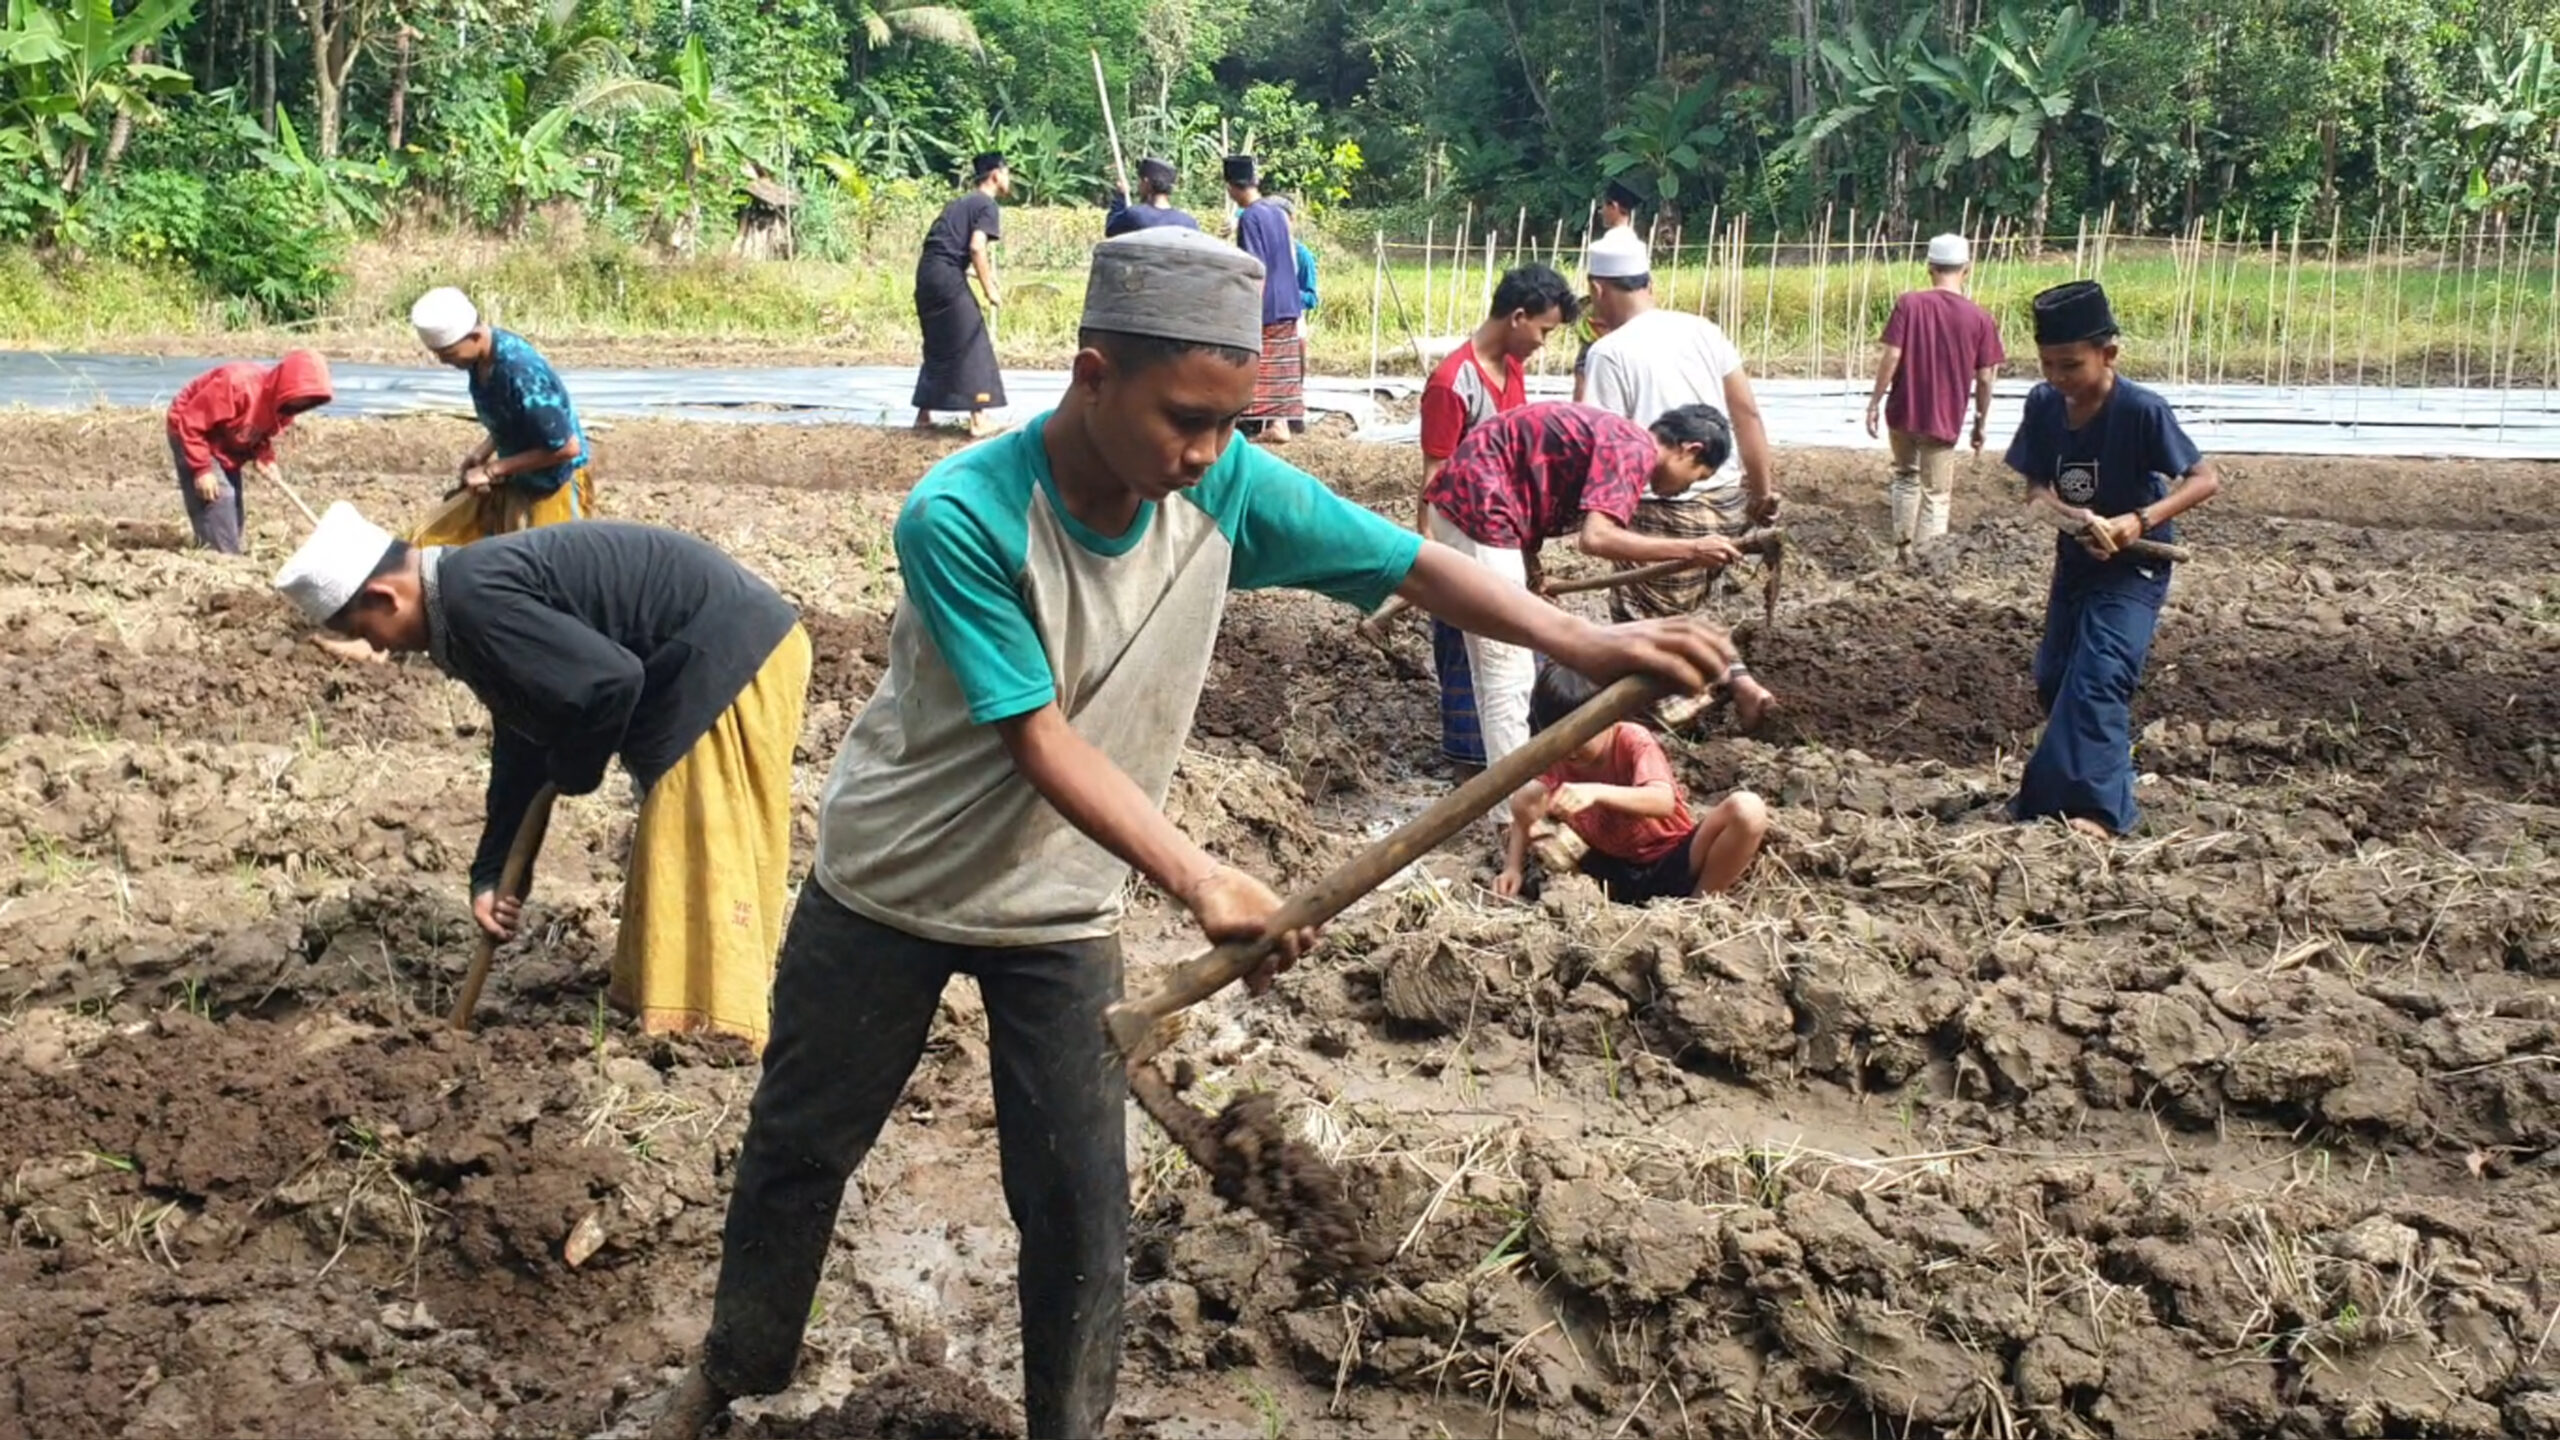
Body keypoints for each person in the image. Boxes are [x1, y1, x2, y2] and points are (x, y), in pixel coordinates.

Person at [640, 227, 1738, 1440]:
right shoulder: (962, 513)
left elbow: (1413, 564)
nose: (1208, 453)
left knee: (1076, 1204)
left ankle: (1069, 1426)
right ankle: (731, 1375)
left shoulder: (1218, 483)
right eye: (1184, 419)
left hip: (1056, 910)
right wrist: (1201, 873)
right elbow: (1038, 738)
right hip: (889, 884)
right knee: (801, 1147)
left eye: (1231, 424)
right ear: (1093, 374)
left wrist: (1589, 644)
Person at [274, 506, 812, 1050]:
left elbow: (611, 682)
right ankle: (673, 1016)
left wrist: (575, 771)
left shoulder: (473, 598)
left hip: (730, 652)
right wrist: (494, 871)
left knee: (701, 837)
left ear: (388, 598)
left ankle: (717, 1037)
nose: (383, 648)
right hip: (707, 656)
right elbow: (523, 733)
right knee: (674, 836)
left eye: (369, 632)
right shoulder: (461, 603)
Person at [1420, 399, 1776, 806]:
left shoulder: (1614, 438)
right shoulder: (1634, 448)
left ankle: (1495, 790)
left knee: (1493, 660)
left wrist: (1530, 573)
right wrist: (1691, 548)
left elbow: (1530, 486)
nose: (1686, 489)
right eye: (1697, 477)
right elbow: (1597, 539)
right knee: (1508, 667)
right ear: (1688, 449)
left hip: (1467, 505)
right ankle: (1508, 810)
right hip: (1479, 508)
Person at [2004, 280, 2221, 838]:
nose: (2058, 379)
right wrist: (2070, 516)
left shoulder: (2141, 410)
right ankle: (2063, 795)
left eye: (2071, 366)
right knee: (2055, 677)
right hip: (2077, 559)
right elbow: (2035, 488)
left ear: (2110, 355)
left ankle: (2099, 812)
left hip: (2134, 565)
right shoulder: (2043, 404)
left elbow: (2204, 479)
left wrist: (2138, 521)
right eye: (2047, 365)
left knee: (2100, 675)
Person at [1416, 262, 1580, 776]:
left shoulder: (1512, 370)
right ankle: (1472, 764)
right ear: (1517, 316)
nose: (1544, 343)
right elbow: (1435, 473)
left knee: (1505, 653)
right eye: (1544, 330)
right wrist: (1431, 550)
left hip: (1503, 528)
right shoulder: (1451, 382)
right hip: (1464, 528)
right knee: (1475, 645)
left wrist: (1529, 549)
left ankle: (1504, 756)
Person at [1581, 228, 1781, 624]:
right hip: (1724, 504)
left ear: (1597, 289)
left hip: (1660, 513)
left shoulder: (1608, 352)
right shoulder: (1703, 330)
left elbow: (1603, 445)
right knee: (1694, 624)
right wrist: (1762, 494)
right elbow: (1747, 415)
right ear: (1648, 283)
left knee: (1648, 635)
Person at [1494, 663, 1768, 904]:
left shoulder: (1631, 739)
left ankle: (1701, 904)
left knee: (1748, 810)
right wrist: (1513, 867)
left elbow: (1663, 801)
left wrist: (1597, 792)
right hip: (1611, 873)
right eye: (1558, 741)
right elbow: (1523, 809)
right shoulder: (1555, 757)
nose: (1570, 751)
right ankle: (1588, 898)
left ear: (1610, 720)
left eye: (1580, 739)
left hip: (1672, 858)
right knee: (1529, 795)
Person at [407, 287, 595, 546]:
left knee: (543, 572)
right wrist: (482, 452)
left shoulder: (520, 372)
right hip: (520, 476)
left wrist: (493, 470)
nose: (443, 361)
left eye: (448, 354)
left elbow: (566, 447)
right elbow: (514, 415)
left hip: (552, 484)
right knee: (424, 541)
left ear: (474, 336)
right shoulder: (481, 360)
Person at [1866, 233, 2005, 561]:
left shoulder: (1908, 304)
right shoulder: (1980, 318)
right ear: (1966, 269)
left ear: (1929, 267)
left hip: (1903, 411)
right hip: (1943, 417)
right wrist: (1980, 423)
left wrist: (1875, 401)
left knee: (1905, 476)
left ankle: (1902, 549)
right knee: (1936, 494)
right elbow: (1985, 378)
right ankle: (1927, 561)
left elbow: (1892, 356)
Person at [164, 350, 334, 554]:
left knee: (233, 503)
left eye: (306, 403)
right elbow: (192, 422)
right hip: (191, 432)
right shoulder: (237, 385)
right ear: (287, 384)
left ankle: (228, 549)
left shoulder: (284, 409)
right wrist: (202, 470)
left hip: (226, 441)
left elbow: (257, 435)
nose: (299, 406)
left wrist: (265, 458)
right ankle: (219, 558)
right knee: (217, 495)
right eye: (301, 398)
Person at [914, 152, 1011, 434]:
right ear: (995, 175)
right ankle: (979, 418)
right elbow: (976, 246)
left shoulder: (961, 203)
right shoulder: (986, 204)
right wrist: (989, 287)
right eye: (1007, 173)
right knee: (973, 339)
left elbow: (945, 246)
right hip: (945, 276)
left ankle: (924, 415)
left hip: (928, 274)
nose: (1009, 179)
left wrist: (969, 272)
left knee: (940, 343)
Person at [1224, 154, 1303, 444]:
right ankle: (1279, 423)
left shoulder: (1251, 218)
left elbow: (1255, 267)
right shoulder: (1276, 213)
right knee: (1280, 367)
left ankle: (1237, 423)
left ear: (1232, 187)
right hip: (1288, 300)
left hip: (1266, 304)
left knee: (1251, 362)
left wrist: (1245, 307)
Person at [1104, 156, 1199, 237]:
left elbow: (1111, 231)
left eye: (1140, 181)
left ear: (1146, 183)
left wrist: (1121, 197)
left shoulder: (1134, 215)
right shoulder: (1189, 223)